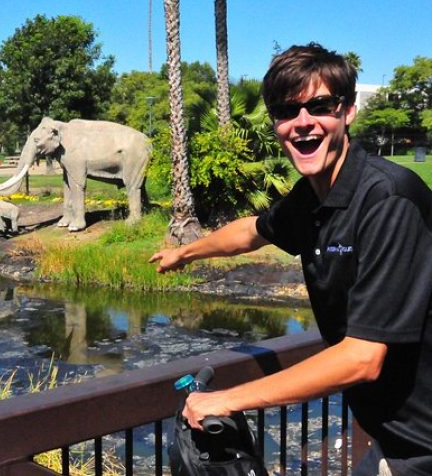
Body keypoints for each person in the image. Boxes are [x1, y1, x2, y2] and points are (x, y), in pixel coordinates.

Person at [149, 43, 432, 475]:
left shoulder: (387, 199)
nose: (302, 123)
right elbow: (251, 232)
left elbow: (362, 356)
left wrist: (227, 398)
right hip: (394, 435)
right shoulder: (313, 197)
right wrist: (184, 253)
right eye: (286, 111)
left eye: (319, 106)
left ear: (347, 111)